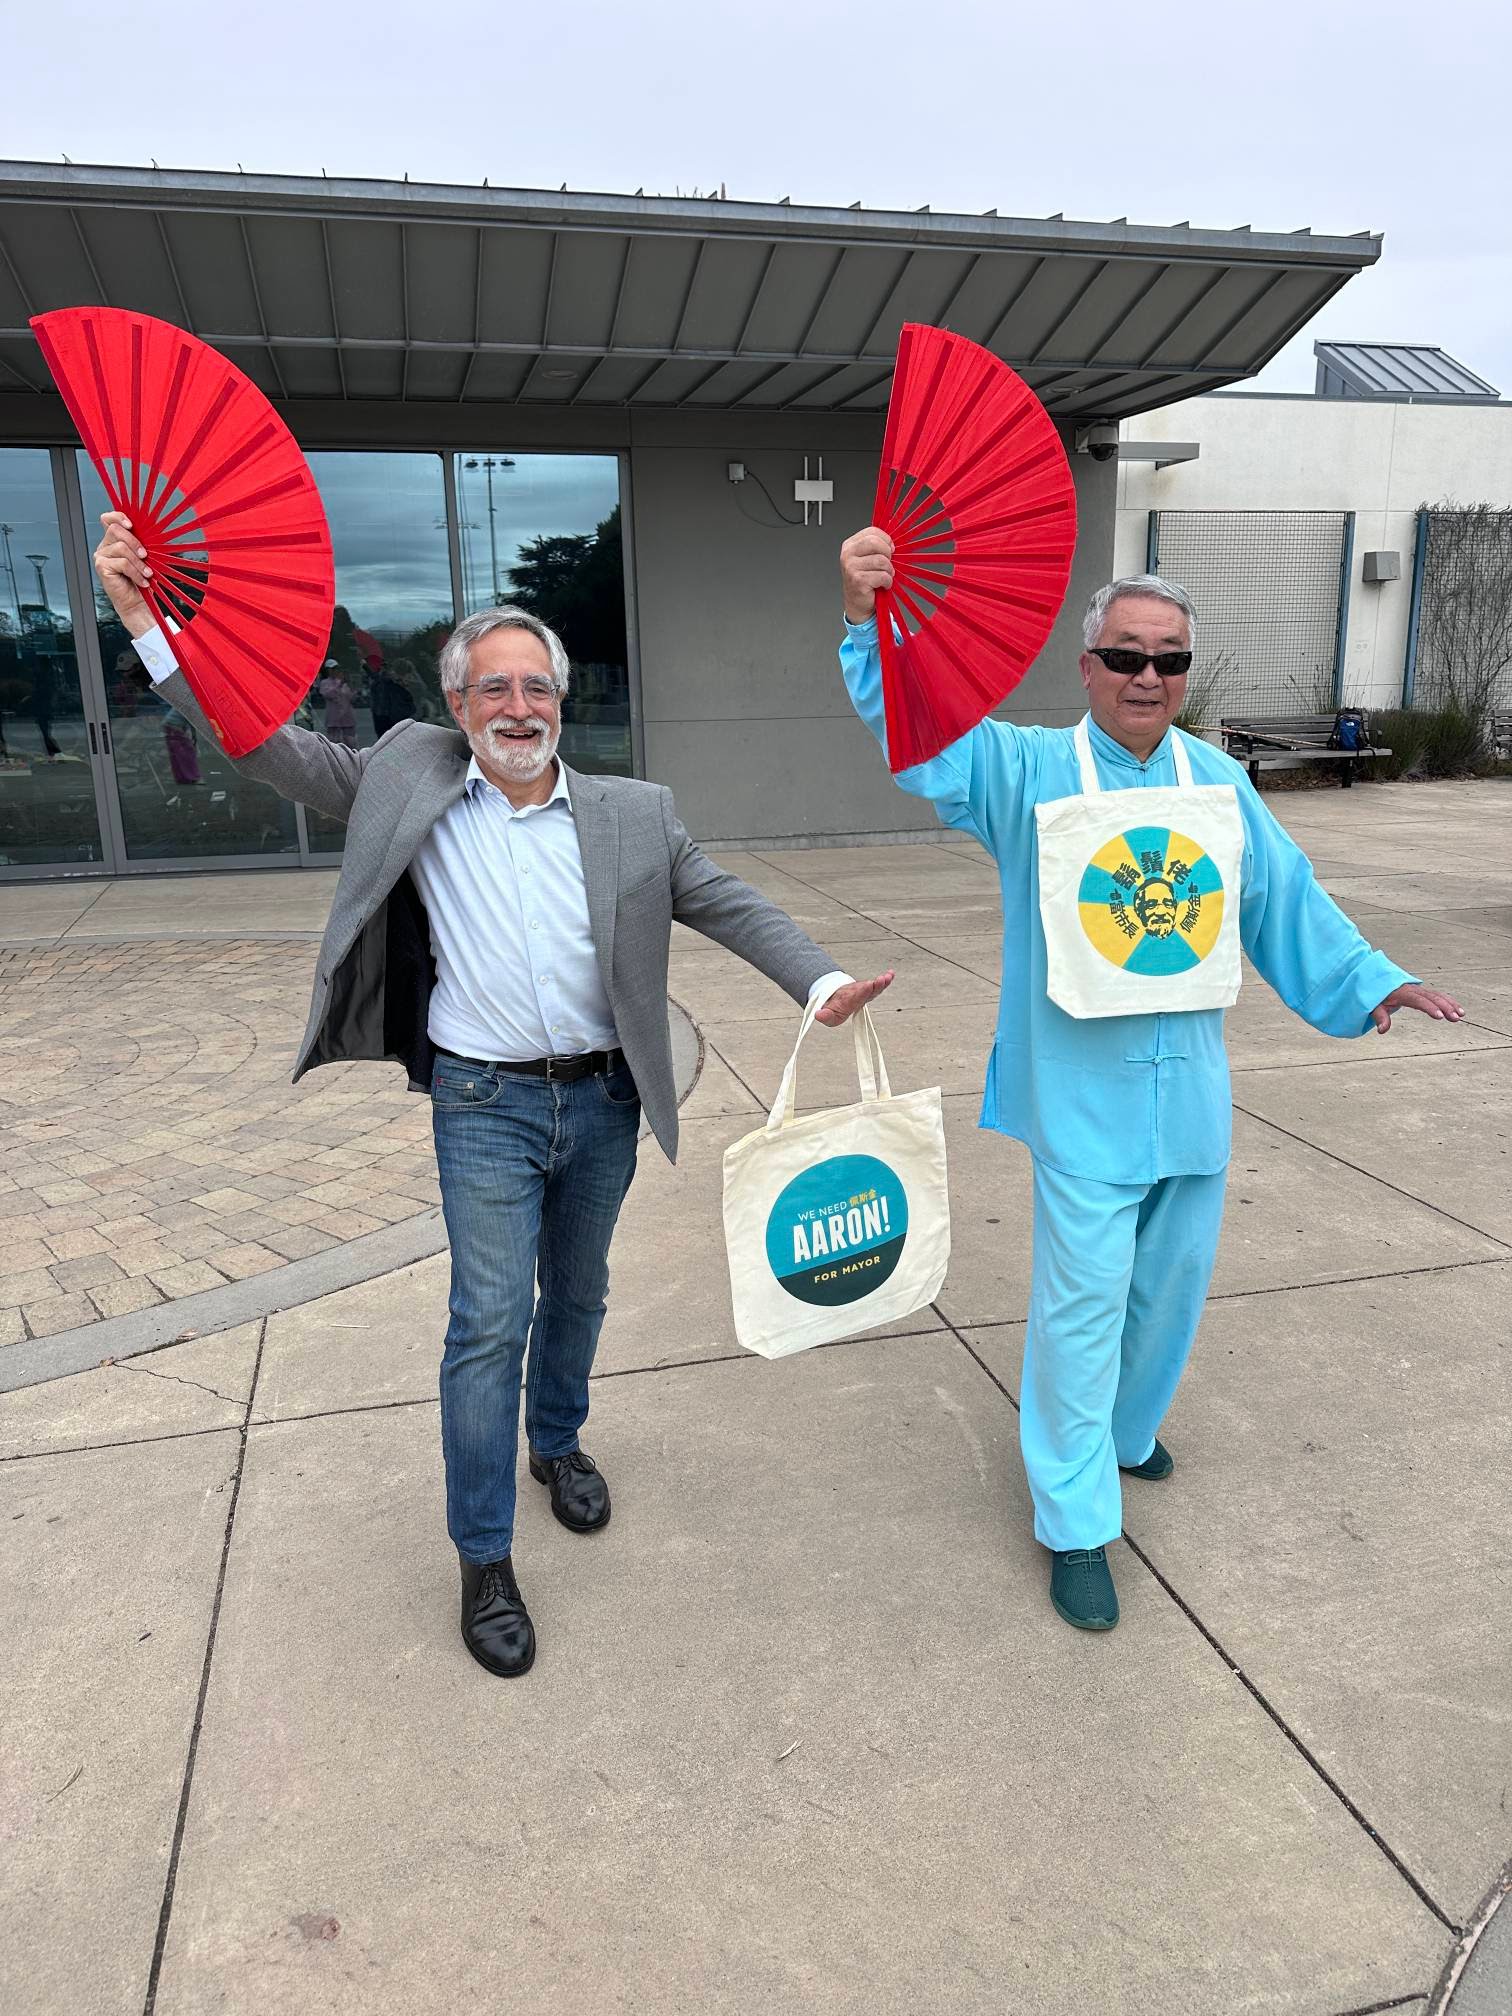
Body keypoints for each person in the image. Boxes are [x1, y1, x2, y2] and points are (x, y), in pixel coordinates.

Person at [94, 510, 893, 1681]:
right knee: (486, 1323)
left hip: (607, 1098)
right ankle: (483, 1555)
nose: (518, 708)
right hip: (481, 1102)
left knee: (577, 1293)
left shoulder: (635, 813)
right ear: (457, 705)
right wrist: (144, 619)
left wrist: (817, 980)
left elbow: (725, 901)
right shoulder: (401, 779)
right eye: (493, 689)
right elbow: (256, 739)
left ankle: (556, 1442)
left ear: (560, 703)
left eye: (538, 688)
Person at [837, 530, 1463, 1633]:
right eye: (1126, 657)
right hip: (1083, 1098)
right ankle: (1076, 1523)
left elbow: (1284, 900)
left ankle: (1127, 1433)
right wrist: (866, 619)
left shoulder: (1216, 783)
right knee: (1081, 1312)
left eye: (1169, 660)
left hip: (1190, 1098)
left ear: (1186, 672)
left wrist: (1375, 979)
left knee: (1168, 1290)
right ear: (1088, 667)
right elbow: (923, 735)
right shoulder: (1027, 771)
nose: (1146, 679)